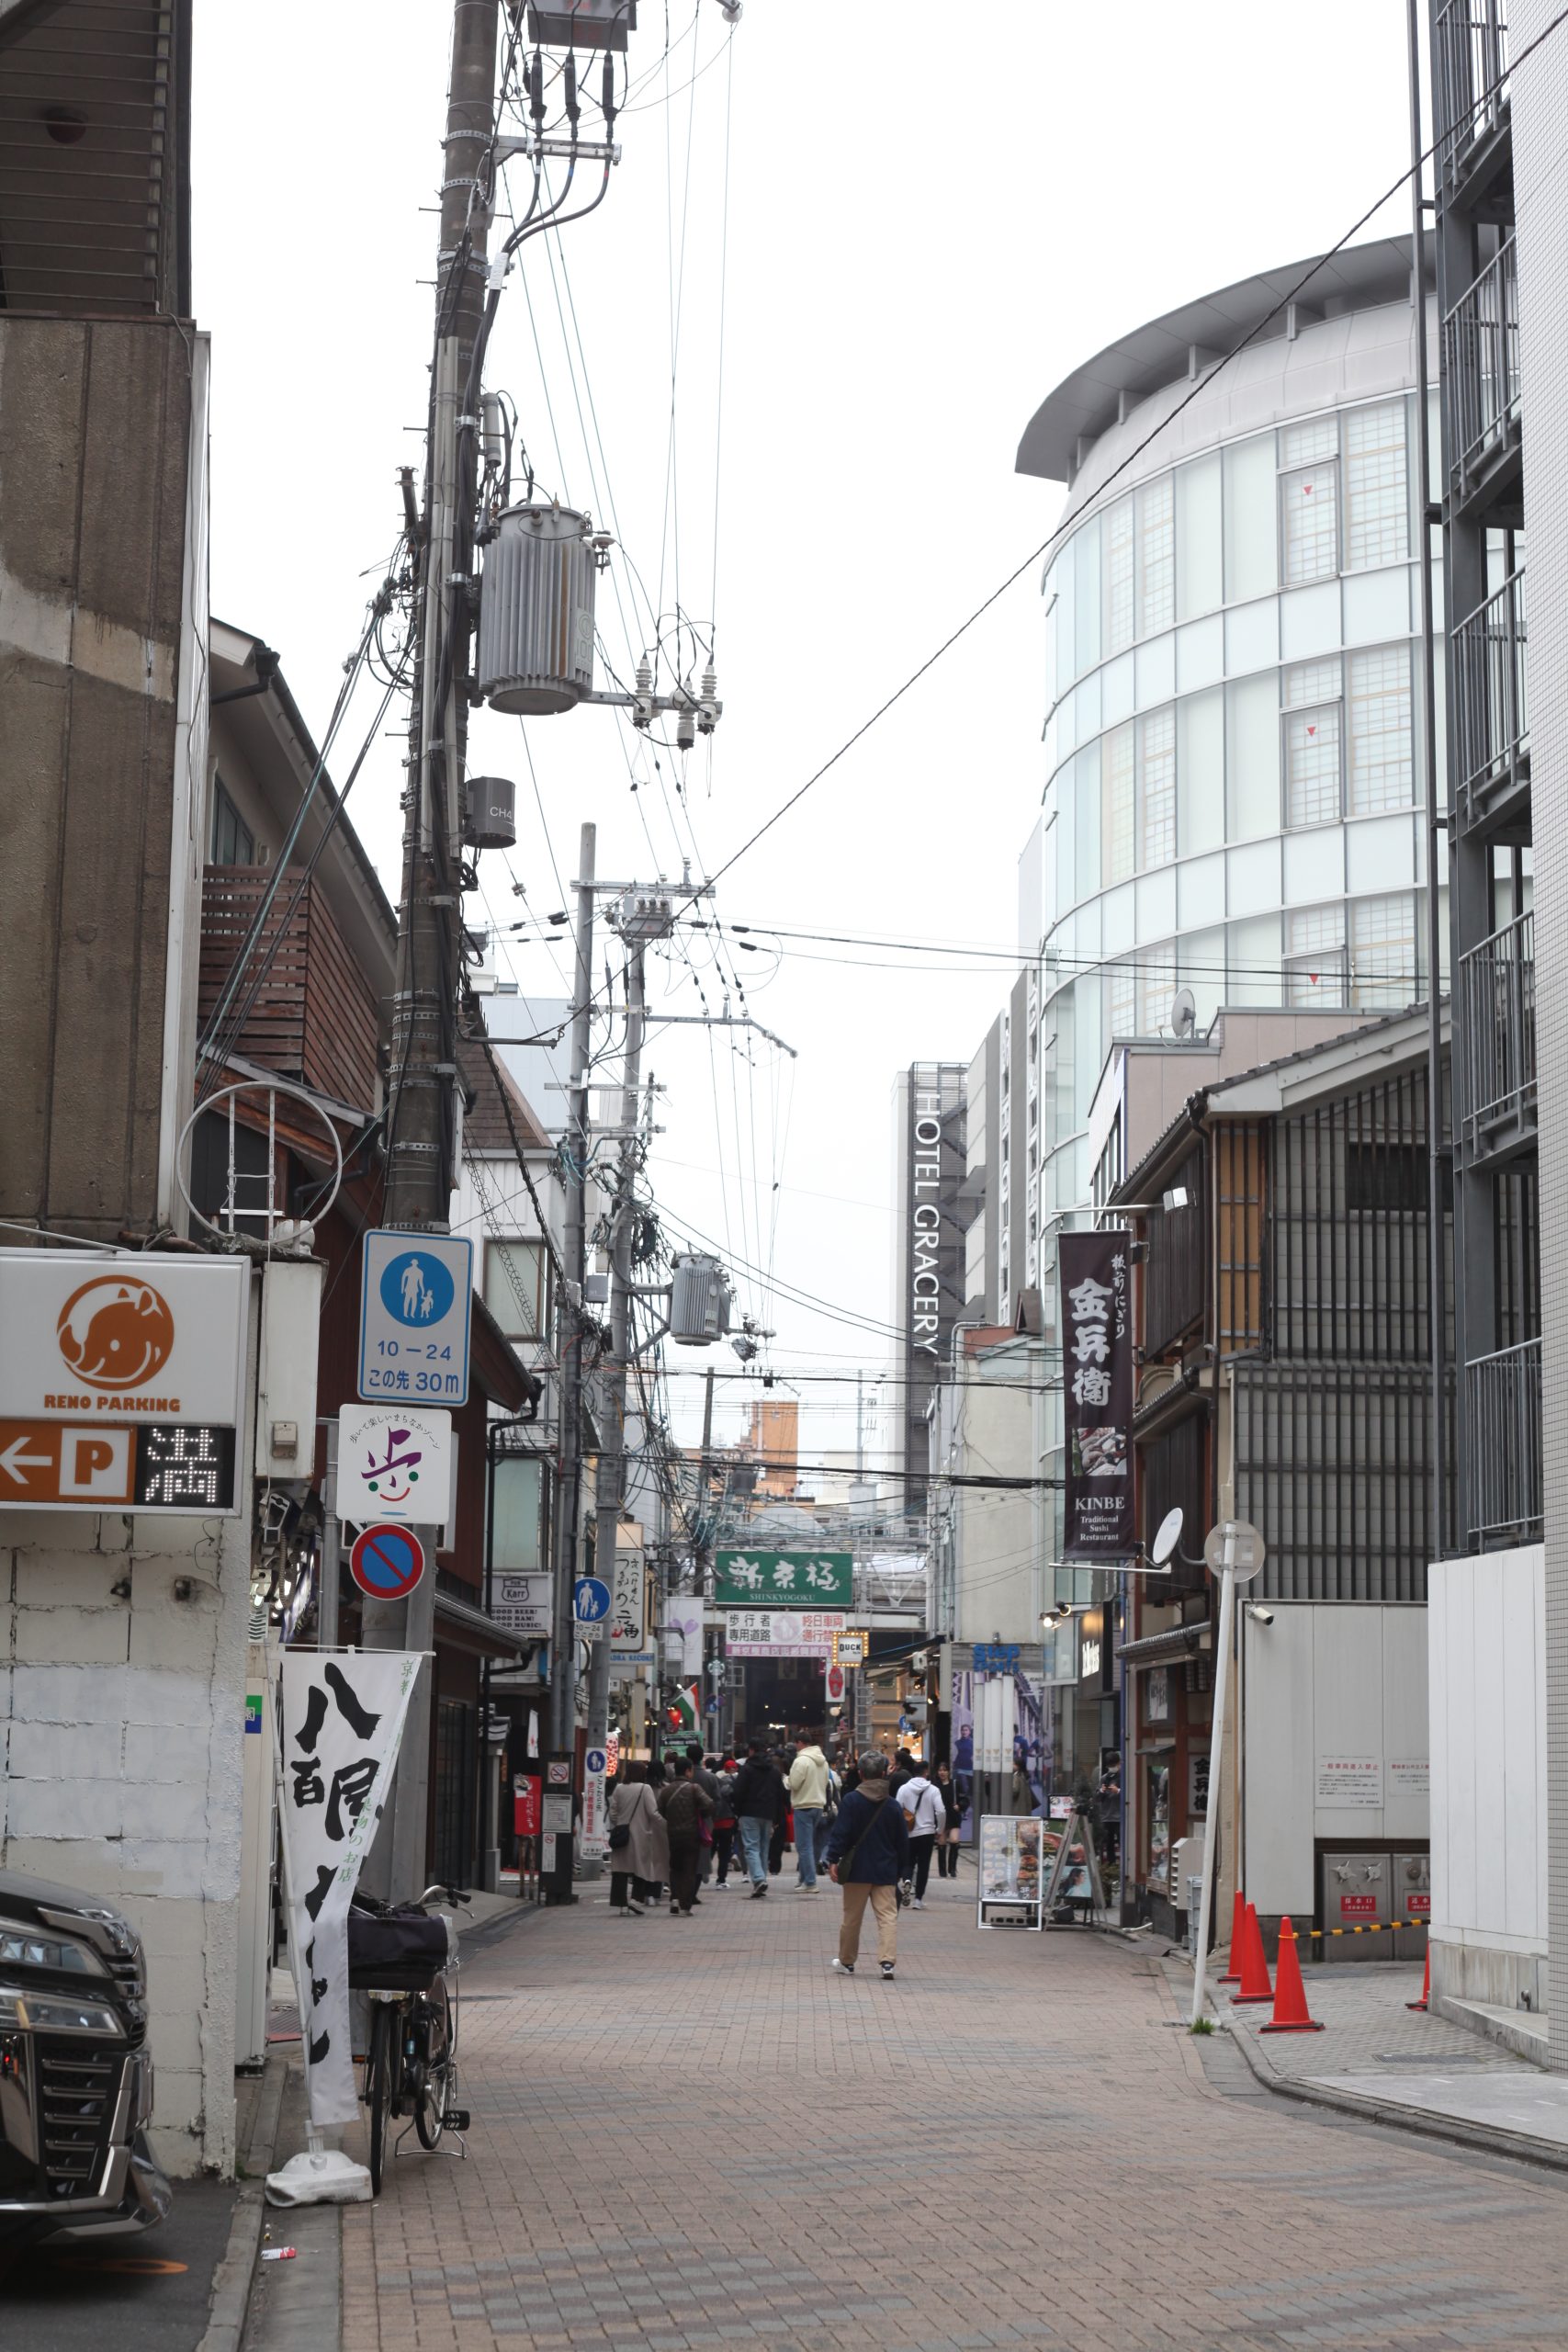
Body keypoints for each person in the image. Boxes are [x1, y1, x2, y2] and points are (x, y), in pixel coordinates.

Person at [824, 1750, 910, 1981]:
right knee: (887, 1917)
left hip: (856, 1870)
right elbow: (902, 1841)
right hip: (885, 1870)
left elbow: (841, 1833)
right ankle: (887, 1962)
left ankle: (847, 1961)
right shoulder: (892, 1805)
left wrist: (833, 1859)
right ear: (883, 1774)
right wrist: (902, 1870)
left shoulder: (851, 1801)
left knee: (852, 1918)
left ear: (861, 1773)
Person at [607, 1762, 668, 1917]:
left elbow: (613, 1813)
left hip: (621, 1835)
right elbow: (653, 1813)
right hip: (641, 1835)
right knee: (642, 1868)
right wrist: (666, 1825)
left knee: (620, 1871)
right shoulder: (645, 1789)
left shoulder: (619, 1788)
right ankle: (636, 1899)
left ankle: (622, 1905)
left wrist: (620, 1824)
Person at [657, 1757, 714, 1916]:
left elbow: (659, 1810)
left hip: (673, 1835)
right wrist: (701, 1813)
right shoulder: (694, 1788)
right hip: (691, 1835)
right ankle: (685, 1906)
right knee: (689, 1870)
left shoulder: (666, 1790)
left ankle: (674, 1899)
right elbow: (709, 1804)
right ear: (688, 1771)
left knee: (675, 1868)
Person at [732, 1740, 782, 1897]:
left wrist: (737, 1811)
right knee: (764, 1848)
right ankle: (761, 1880)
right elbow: (780, 1794)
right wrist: (777, 1817)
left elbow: (738, 1792)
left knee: (751, 1847)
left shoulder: (747, 1769)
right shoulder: (774, 1770)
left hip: (749, 1812)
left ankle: (759, 1879)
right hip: (768, 1814)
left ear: (752, 1750)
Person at [787, 1727, 832, 1890]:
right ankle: (803, 1879)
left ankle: (810, 1883)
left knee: (803, 1846)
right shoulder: (823, 1761)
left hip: (803, 1805)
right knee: (809, 1844)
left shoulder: (801, 1761)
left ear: (800, 1743)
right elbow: (826, 1782)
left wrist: (785, 1780)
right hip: (818, 1805)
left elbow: (794, 1783)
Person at [898, 1761, 945, 1907]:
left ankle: (907, 1880)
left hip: (909, 1832)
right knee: (924, 1865)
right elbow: (941, 1811)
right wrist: (940, 1829)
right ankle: (918, 1900)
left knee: (908, 1862)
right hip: (927, 1832)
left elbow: (896, 1809)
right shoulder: (933, 1790)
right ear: (926, 1772)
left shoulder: (903, 1789)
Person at [688, 1744, 721, 1887]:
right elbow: (717, 1800)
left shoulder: (683, 1778)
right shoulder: (711, 1778)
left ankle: (686, 1889)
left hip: (684, 1820)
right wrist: (712, 1818)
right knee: (702, 1853)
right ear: (702, 1758)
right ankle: (698, 1883)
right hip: (706, 1821)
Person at [711, 1756, 739, 1887]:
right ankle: (721, 1879)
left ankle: (702, 1873)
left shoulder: (714, 1781)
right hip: (728, 1822)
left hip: (713, 1822)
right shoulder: (734, 1785)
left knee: (710, 1850)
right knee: (724, 1852)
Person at [935, 1760, 962, 1879]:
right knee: (941, 1842)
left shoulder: (955, 1784)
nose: (942, 1773)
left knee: (954, 1840)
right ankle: (942, 1870)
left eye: (945, 1770)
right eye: (940, 1770)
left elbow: (964, 1798)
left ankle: (952, 1869)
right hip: (941, 1817)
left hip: (953, 1816)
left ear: (949, 1772)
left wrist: (960, 1806)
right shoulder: (935, 1786)